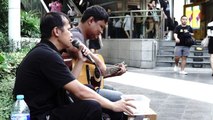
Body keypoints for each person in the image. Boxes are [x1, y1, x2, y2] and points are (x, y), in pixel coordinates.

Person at [13, 12, 134, 120]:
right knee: (92, 107)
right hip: (41, 116)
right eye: (68, 29)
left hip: (50, 109)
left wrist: (81, 60)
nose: (71, 34)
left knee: (89, 89)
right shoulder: (46, 55)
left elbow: (69, 84)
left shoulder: (47, 52)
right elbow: (79, 91)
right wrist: (113, 105)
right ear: (56, 31)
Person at [67, 5, 128, 119]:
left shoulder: (85, 39)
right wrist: (99, 62)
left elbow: (93, 77)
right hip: (76, 92)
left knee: (113, 91)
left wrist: (113, 71)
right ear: (90, 21)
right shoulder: (75, 34)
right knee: (119, 98)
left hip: (85, 87)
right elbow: (75, 47)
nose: (101, 31)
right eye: (100, 26)